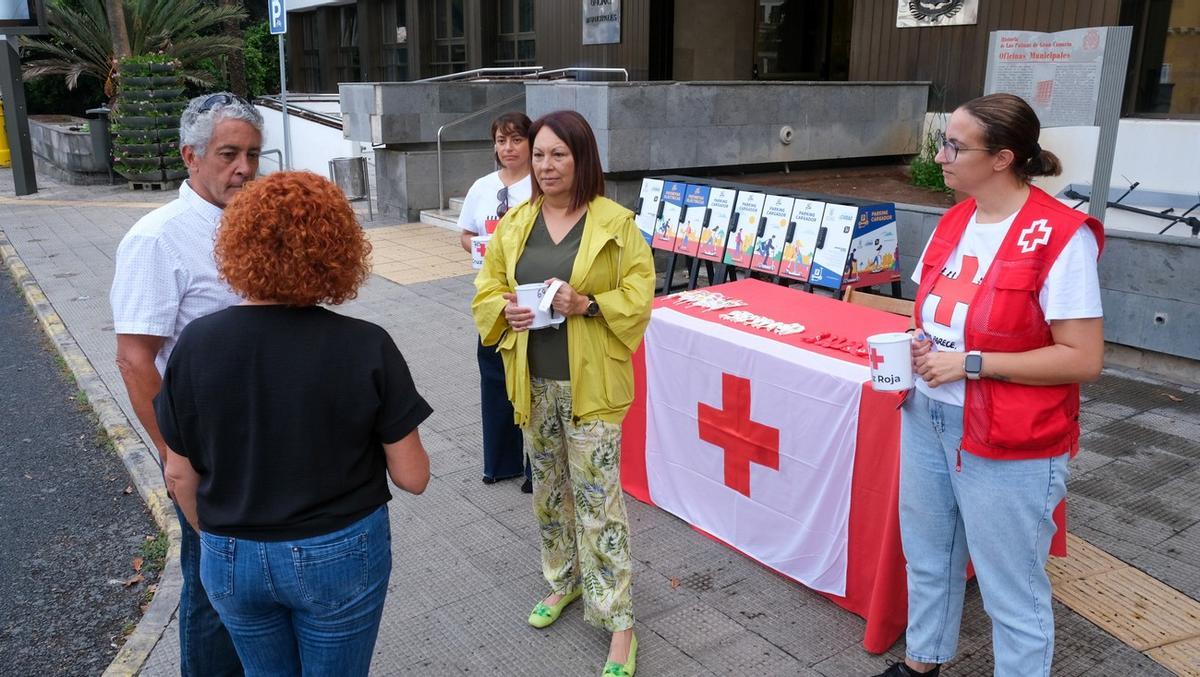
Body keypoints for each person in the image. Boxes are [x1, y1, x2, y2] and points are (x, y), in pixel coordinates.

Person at [155, 171, 432, 676]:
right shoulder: (366, 344)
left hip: (231, 552)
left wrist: (220, 538)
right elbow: (413, 478)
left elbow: (178, 474)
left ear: (239, 244)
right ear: (337, 250)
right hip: (339, 549)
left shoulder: (195, 344)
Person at [876, 93, 1104, 677]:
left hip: (1010, 438)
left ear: (1003, 157)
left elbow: (1082, 358)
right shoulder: (956, 218)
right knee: (927, 557)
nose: (940, 156)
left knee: (1013, 588)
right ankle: (922, 662)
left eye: (954, 145)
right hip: (928, 416)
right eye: (942, 140)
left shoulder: (1059, 237)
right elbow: (927, 313)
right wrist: (919, 342)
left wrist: (972, 364)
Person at [472, 110, 654, 677]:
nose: (546, 166)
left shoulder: (615, 223)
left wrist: (587, 304)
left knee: (599, 501)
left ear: (582, 159)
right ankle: (564, 581)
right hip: (534, 382)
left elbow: (640, 295)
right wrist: (505, 308)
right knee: (549, 493)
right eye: (541, 155)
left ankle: (619, 621)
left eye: (559, 155)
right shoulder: (515, 223)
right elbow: (487, 290)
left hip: (592, 385)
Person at [111, 92, 263, 677]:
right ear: (190, 157)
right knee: (212, 590)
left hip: (261, 438)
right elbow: (134, 359)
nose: (244, 168)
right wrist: (175, 454)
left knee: (251, 580)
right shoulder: (158, 238)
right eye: (229, 154)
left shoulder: (252, 222)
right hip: (205, 451)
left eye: (253, 153)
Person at [458, 112, 534, 491]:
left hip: (531, 299)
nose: (508, 148)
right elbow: (467, 233)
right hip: (492, 298)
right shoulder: (482, 187)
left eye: (516, 139)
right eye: (501, 141)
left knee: (535, 381)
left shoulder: (542, 185)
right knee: (495, 378)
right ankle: (502, 463)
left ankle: (538, 468)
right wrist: (480, 249)